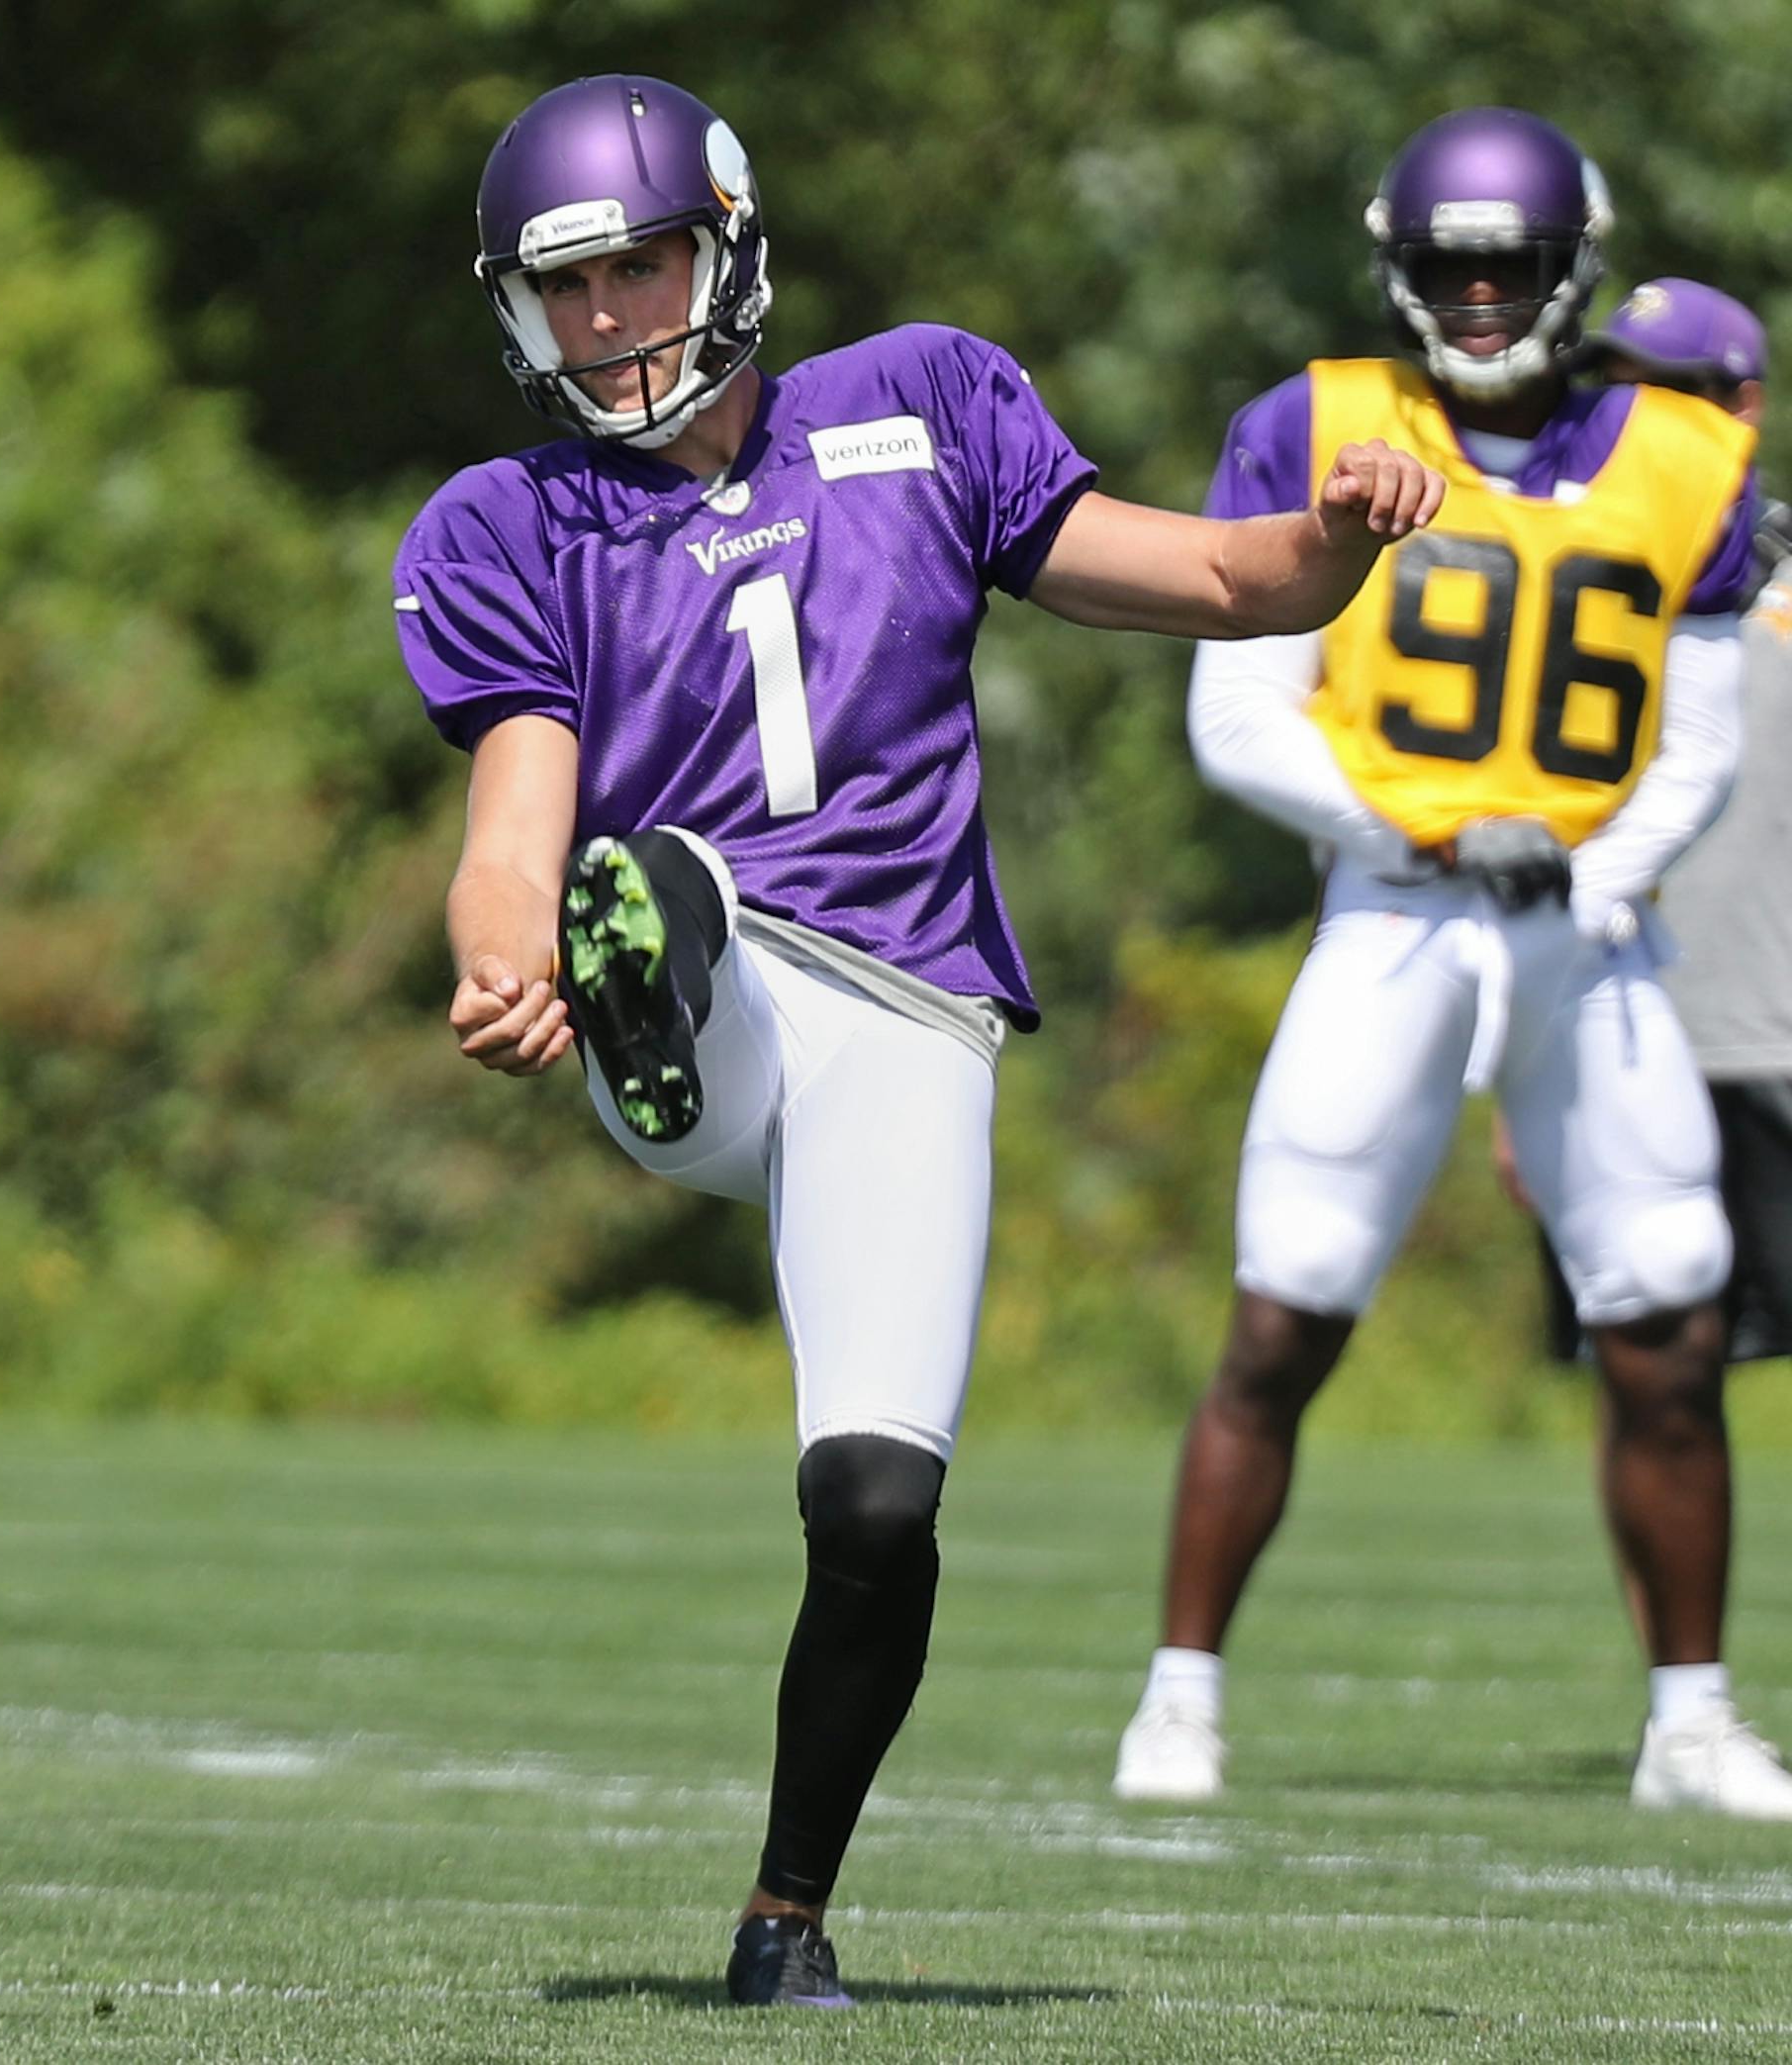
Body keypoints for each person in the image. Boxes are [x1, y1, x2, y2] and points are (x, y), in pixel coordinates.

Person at [393, 73, 1441, 2008]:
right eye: (573, 286)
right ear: (521, 312)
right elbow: (507, 837)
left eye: (642, 266)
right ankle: (651, 976)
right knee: (669, 905)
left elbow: (1218, 580)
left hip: (910, 1005)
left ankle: (786, 1917)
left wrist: (1342, 536)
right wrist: (503, 958)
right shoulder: (506, 524)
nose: (613, 314)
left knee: (874, 1502)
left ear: (726, 244)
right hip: (710, 1003)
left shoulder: (925, 403)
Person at [1110, 109, 1792, 1820]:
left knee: (1669, 1322)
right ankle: (1179, 1699)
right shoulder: (1321, 426)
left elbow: (1696, 744)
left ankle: (1692, 1720)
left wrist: (1588, 865)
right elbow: (1236, 711)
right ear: (1399, 264)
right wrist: (1417, 835)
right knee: (1286, 1314)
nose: (1482, 295)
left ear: (1577, 266)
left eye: (1513, 264)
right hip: (1395, 914)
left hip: (1587, 926)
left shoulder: (1683, 459)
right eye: (1452, 264)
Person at [1493, 281, 1792, 1637]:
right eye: (1615, 387)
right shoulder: (1562, 561)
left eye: (1668, 390)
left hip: (1779, 1036)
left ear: (1745, 407)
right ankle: (1688, 1696)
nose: (1633, 417)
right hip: (1624, 1026)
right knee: (1646, 1374)